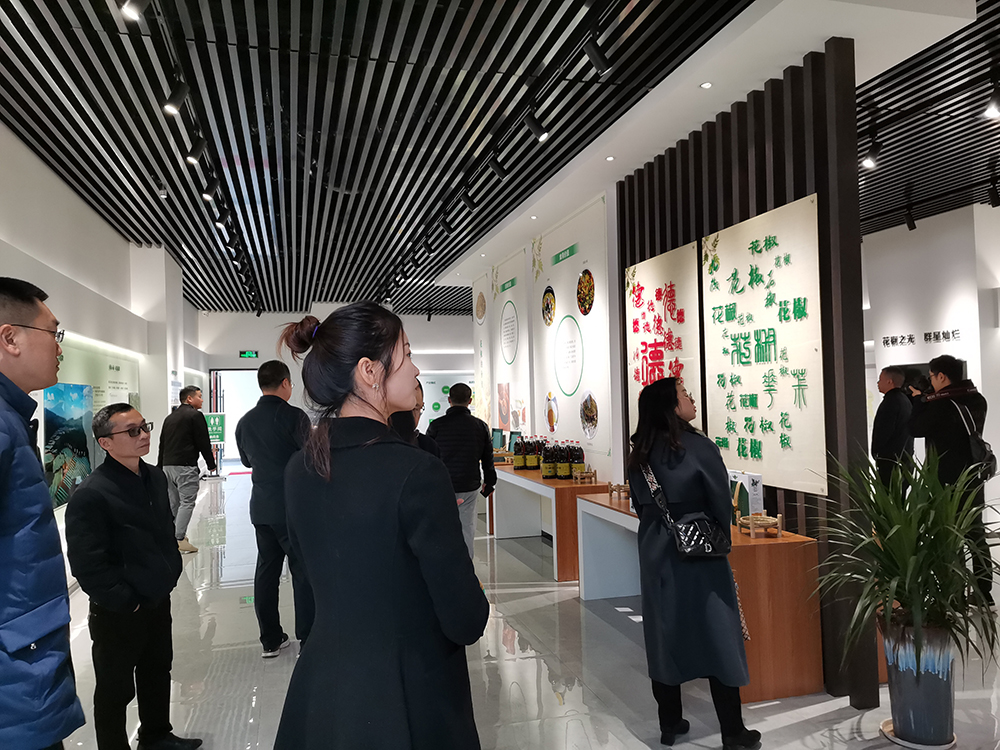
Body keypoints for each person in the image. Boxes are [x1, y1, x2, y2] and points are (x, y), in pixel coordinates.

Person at [273, 302, 489, 750]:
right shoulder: (417, 471)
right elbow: (465, 618)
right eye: (406, 354)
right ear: (370, 371)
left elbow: (309, 578)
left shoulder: (300, 468)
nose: (415, 369)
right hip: (409, 692)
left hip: (324, 688)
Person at [628, 378, 760, 750]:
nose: (691, 399)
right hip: (699, 549)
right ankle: (733, 732)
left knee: (663, 632)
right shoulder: (699, 447)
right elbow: (721, 501)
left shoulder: (640, 452)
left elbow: (639, 504)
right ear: (671, 406)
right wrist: (720, 537)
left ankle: (670, 723)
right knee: (718, 633)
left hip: (656, 548)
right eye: (685, 395)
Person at [65, 404, 201, 750]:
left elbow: (163, 531)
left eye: (144, 427)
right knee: (115, 688)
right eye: (132, 431)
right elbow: (87, 562)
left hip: (156, 597)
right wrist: (125, 600)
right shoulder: (92, 493)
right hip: (119, 611)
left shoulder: (154, 477)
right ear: (106, 443)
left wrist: (170, 571)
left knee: (157, 670)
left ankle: (156, 736)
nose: (143, 436)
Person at [0, 277, 85, 750]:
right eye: (54, 333)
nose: (59, 347)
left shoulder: (12, 419)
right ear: (10, 338)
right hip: (13, 671)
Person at [235, 360, 315, 658]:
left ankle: (270, 639)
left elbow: (246, 461)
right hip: (292, 506)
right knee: (302, 571)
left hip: (261, 507)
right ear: (285, 383)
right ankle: (307, 637)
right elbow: (311, 458)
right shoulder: (294, 417)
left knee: (266, 572)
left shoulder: (245, 421)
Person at [909, 354, 992, 604]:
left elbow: (915, 428)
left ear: (942, 376)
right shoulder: (978, 399)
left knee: (949, 534)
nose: (931, 382)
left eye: (932, 377)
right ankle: (984, 592)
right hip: (973, 475)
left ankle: (954, 592)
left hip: (945, 478)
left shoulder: (941, 405)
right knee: (975, 532)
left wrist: (918, 401)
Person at [426, 382, 497, 557]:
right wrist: (490, 482)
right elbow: (487, 458)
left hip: (442, 485)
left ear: (449, 399)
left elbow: (428, 457)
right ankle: (465, 567)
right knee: (466, 528)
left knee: (442, 527)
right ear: (470, 401)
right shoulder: (480, 426)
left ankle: (444, 564)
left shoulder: (436, 425)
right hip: (469, 484)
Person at [158, 386, 216, 553]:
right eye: (199, 396)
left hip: (168, 466)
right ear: (189, 399)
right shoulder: (195, 416)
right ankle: (179, 538)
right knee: (187, 502)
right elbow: (203, 441)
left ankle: (171, 537)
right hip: (185, 466)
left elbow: (162, 443)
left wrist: (159, 466)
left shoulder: (170, 417)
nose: (202, 400)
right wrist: (211, 464)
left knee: (174, 503)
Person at [871, 365, 914, 488]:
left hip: (890, 463)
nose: (878, 383)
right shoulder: (905, 400)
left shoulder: (890, 403)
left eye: (880, 379)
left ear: (889, 381)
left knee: (888, 496)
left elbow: (883, 432)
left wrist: (877, 454)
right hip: (904, 460)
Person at [389, 382, 440, 457]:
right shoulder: (379, 443)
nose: (409, 417)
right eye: (407, 410)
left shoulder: (428, 446)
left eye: (416, 409)